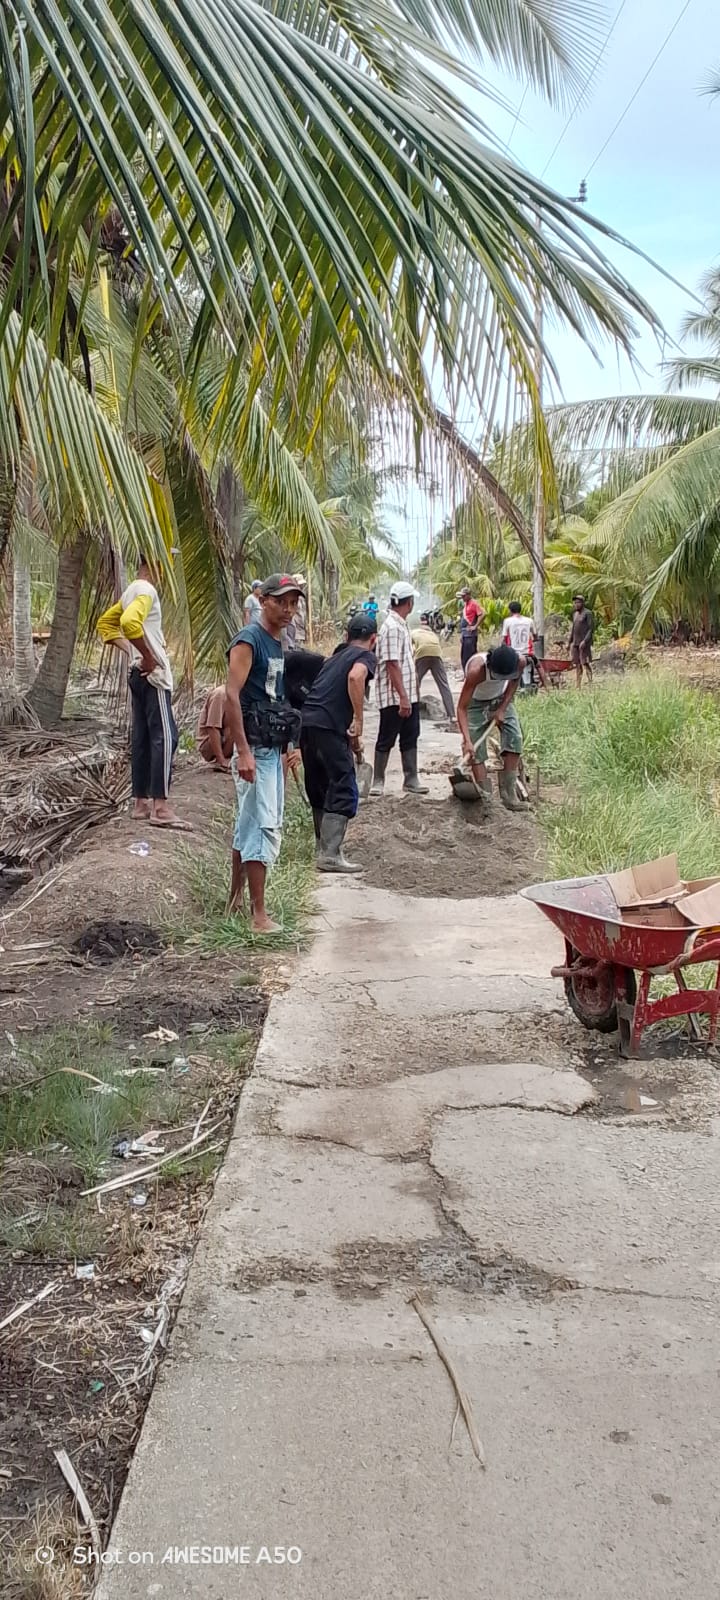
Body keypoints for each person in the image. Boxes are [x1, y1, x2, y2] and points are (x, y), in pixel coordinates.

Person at [225, 574, 304, 933]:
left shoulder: (276, 642)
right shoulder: (250, 640)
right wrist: (243, 752)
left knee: (247, 826)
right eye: (282, 601)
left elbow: (277, 698)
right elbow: (231, 695)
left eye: (294, 603)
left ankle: (236, 901)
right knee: (262, 826)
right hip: (255, 747)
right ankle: (259, 915)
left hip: (272, 744)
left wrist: (290, 746)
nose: (288, 609)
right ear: (264, 600)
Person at [98, 555, 189, 830]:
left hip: (136, 675)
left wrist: (133, 651)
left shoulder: (130, 590)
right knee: (166, 735)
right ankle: (160, 806)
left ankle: (140, 802)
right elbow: (128, 622)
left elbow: (106, 624)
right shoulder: (146, 590)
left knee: (142, 737)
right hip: (154, 677)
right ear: (156, 565)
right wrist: (148, 657)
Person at [300, 613, 377, 872]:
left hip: (308, 722)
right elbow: (356, 678)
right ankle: (330, 855)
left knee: (320, 784)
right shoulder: (364, 656)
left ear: (346, 636)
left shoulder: (333, 659)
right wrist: (358, 720)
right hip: (328, 725)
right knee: (344, 785)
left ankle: (321, 847)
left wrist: (352, 740)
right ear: (373, 639)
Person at [371, 581, 428, 797]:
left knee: (410, 735)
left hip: (407, 694)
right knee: (387, 736)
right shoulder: (393, 627)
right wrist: (403, 697)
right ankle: (378, 779)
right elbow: (392, 663)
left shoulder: (401, 625)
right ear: (409, 603)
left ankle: (411, 777)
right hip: (394, 696)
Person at [456, 643, 528, 811]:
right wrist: (467, 741)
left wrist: (502, 708)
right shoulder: (476, 670)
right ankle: (486, 797)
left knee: (515, 738)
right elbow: (461, 708)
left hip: (501, 699)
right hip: (475, 703)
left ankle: (509, 795)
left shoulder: (520, 662)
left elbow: (513, 684)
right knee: (476, 750)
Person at [411, 613, 456, 722]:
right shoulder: (433, 635)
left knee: (415, 683)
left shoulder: (413, 632)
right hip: (436, 654)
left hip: (422, 654)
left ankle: (413, 712)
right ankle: (452, 715)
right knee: (443, 685)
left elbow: (411, 650)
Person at [503, 601, 548, 688]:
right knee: (538, 666)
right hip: (528, 653)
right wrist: (535, 639)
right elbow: (535, 636)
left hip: (513, 653)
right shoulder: (529, 620)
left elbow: (504, 639)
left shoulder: (507, 621)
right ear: (520, 610)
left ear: (510, 610)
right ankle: (547, 686)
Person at [197, 686, 232, 771]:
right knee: (236, 724)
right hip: (211, 743)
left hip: (226, 738)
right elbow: (212, 727)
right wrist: (221, 760)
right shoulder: (220, 694)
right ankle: (220, 759)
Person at [568, 594, 594, 686]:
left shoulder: (588, 613)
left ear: (583, 603)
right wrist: (569, 642)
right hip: (575, 642)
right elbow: (573, 629)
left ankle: (590, 681)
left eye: (578, 602)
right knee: (577, 664)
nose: (576, 604)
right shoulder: (575, 614)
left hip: (584, 643)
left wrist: (585, 641)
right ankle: (578, 684)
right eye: (575, 603)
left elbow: (591, 629)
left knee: (585, 662)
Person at [458, 586, 486, 671]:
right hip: (465, 634)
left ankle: (471, 673)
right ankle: (466, 674)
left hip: (470, 635)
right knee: (464, 656)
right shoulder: (466, 604)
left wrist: (475, 626)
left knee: (470, 656)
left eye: (464, 596)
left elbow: (482, 614)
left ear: (468, 595)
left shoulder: (473, 603)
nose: (462, 598)